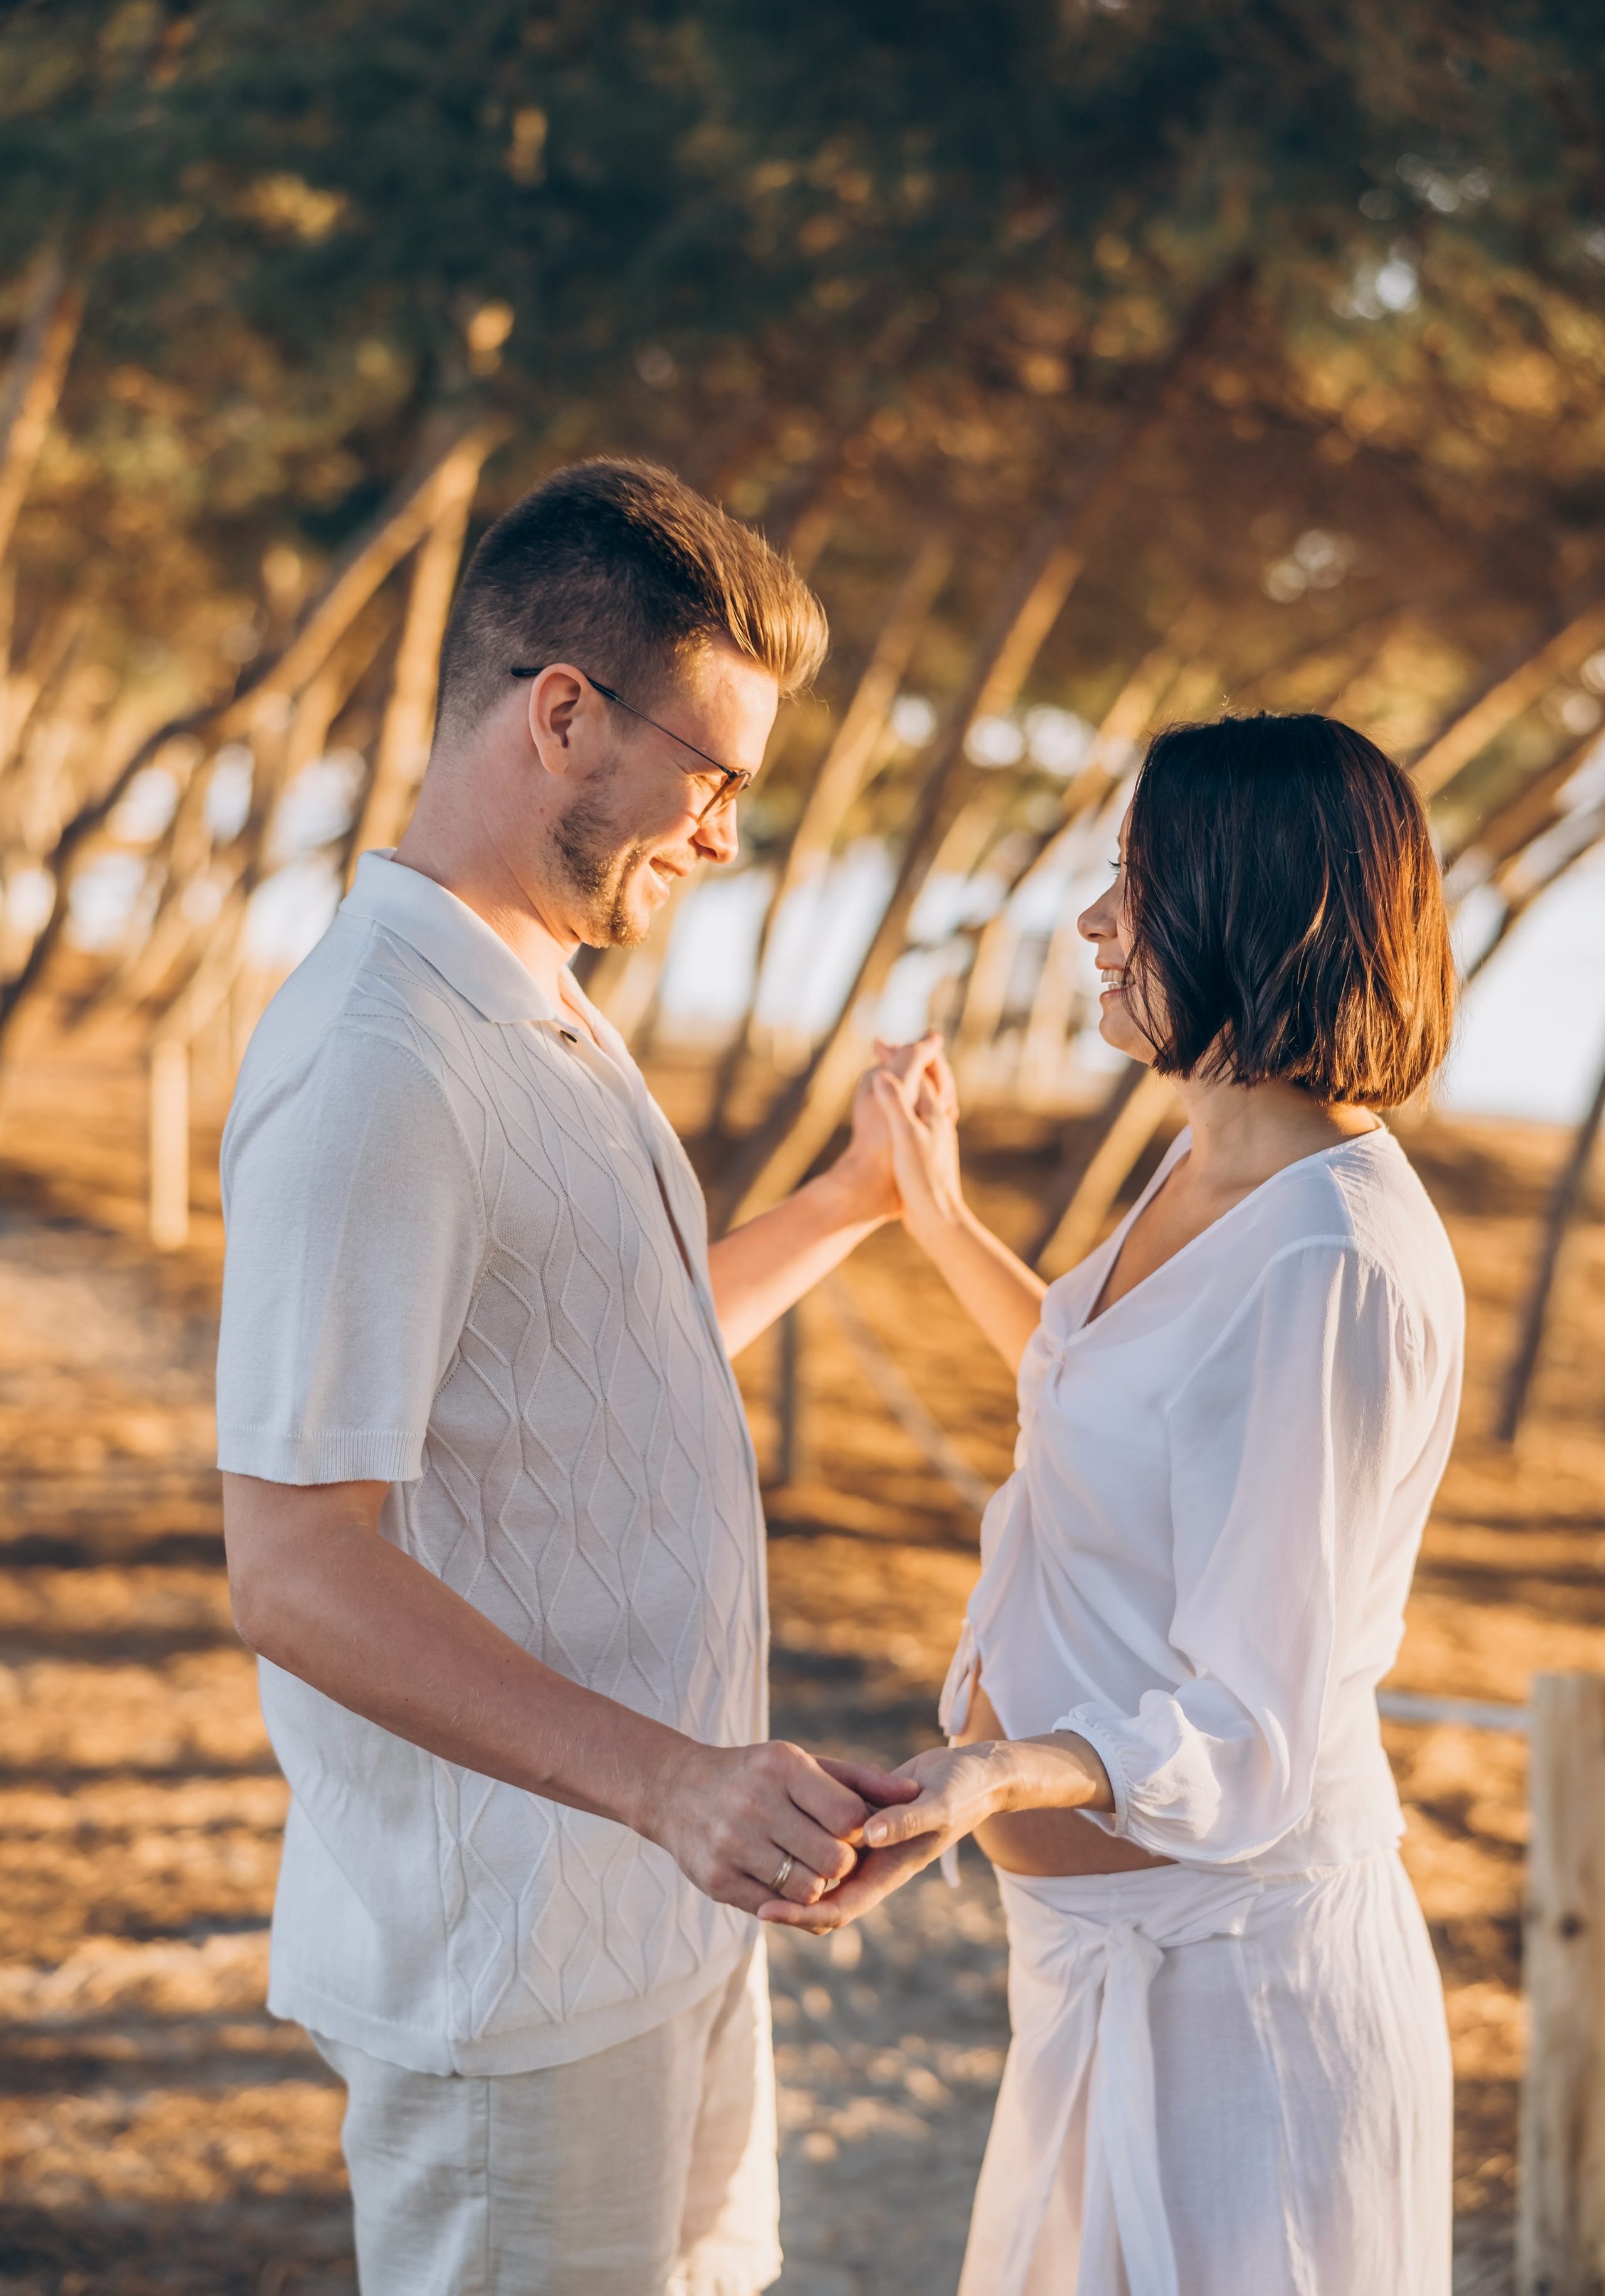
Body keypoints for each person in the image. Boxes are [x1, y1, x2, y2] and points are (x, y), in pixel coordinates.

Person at [217, 458, 922, 2296]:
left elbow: (615, 1360)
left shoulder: (539, 1002)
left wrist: (851, 1207)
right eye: (719, 779)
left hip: (663, 1935)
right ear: (562, 715)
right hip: (512, 1984)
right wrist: (674, 1783)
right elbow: (296, 1566)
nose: (726, 835)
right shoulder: (380, 1062)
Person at [762, 713, 1463, 2296]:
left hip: (1239, 2004)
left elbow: (1253, 1726)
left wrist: (997, 1774)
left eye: (1133, 884)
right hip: (1091, 1967)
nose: (1093, 922)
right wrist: (928, 1215)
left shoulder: (1331, 1264)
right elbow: (1109, 1405)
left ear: (1249, 909)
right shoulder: (1204, 1160)